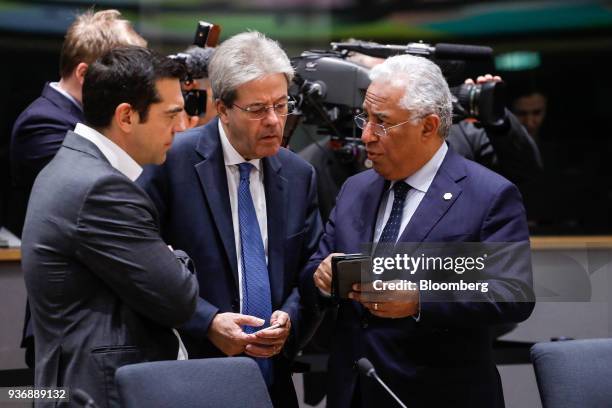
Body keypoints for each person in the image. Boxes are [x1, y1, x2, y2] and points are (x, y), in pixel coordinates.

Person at [300, 54, 534, 407]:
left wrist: (420, 299)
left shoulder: (488, 194)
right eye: (366, 117)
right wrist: (321, 276)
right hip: (354, 391)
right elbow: (315, 267)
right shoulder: (355, 189)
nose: (366, 135)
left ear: (428, 126)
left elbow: (511, 291)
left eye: (382, 122)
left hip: (438, 394)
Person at [138, 31, 323, 407]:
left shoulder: (299, 174)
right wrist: (206, 321)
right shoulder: (172, 162)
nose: (274, 120)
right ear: (222, 108)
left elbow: (311, 266)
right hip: (189, 375)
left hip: (273, 381)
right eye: (257, 109)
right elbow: (143, 263)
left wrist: (288, 318)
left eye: (281, 104)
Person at [21, 46, 198, 408]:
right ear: (126, 117)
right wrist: (174, 255)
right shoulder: (101, 189)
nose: (181, 128)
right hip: (96, 395)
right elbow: (178, 298)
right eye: (171, 115)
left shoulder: (74, 164)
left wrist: (162, 253)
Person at [9, 9, 146, 237]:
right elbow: (102, 193)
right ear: (84, 74)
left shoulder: (93, 117)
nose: (135, 89)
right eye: (125, 78)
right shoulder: (40, 124)